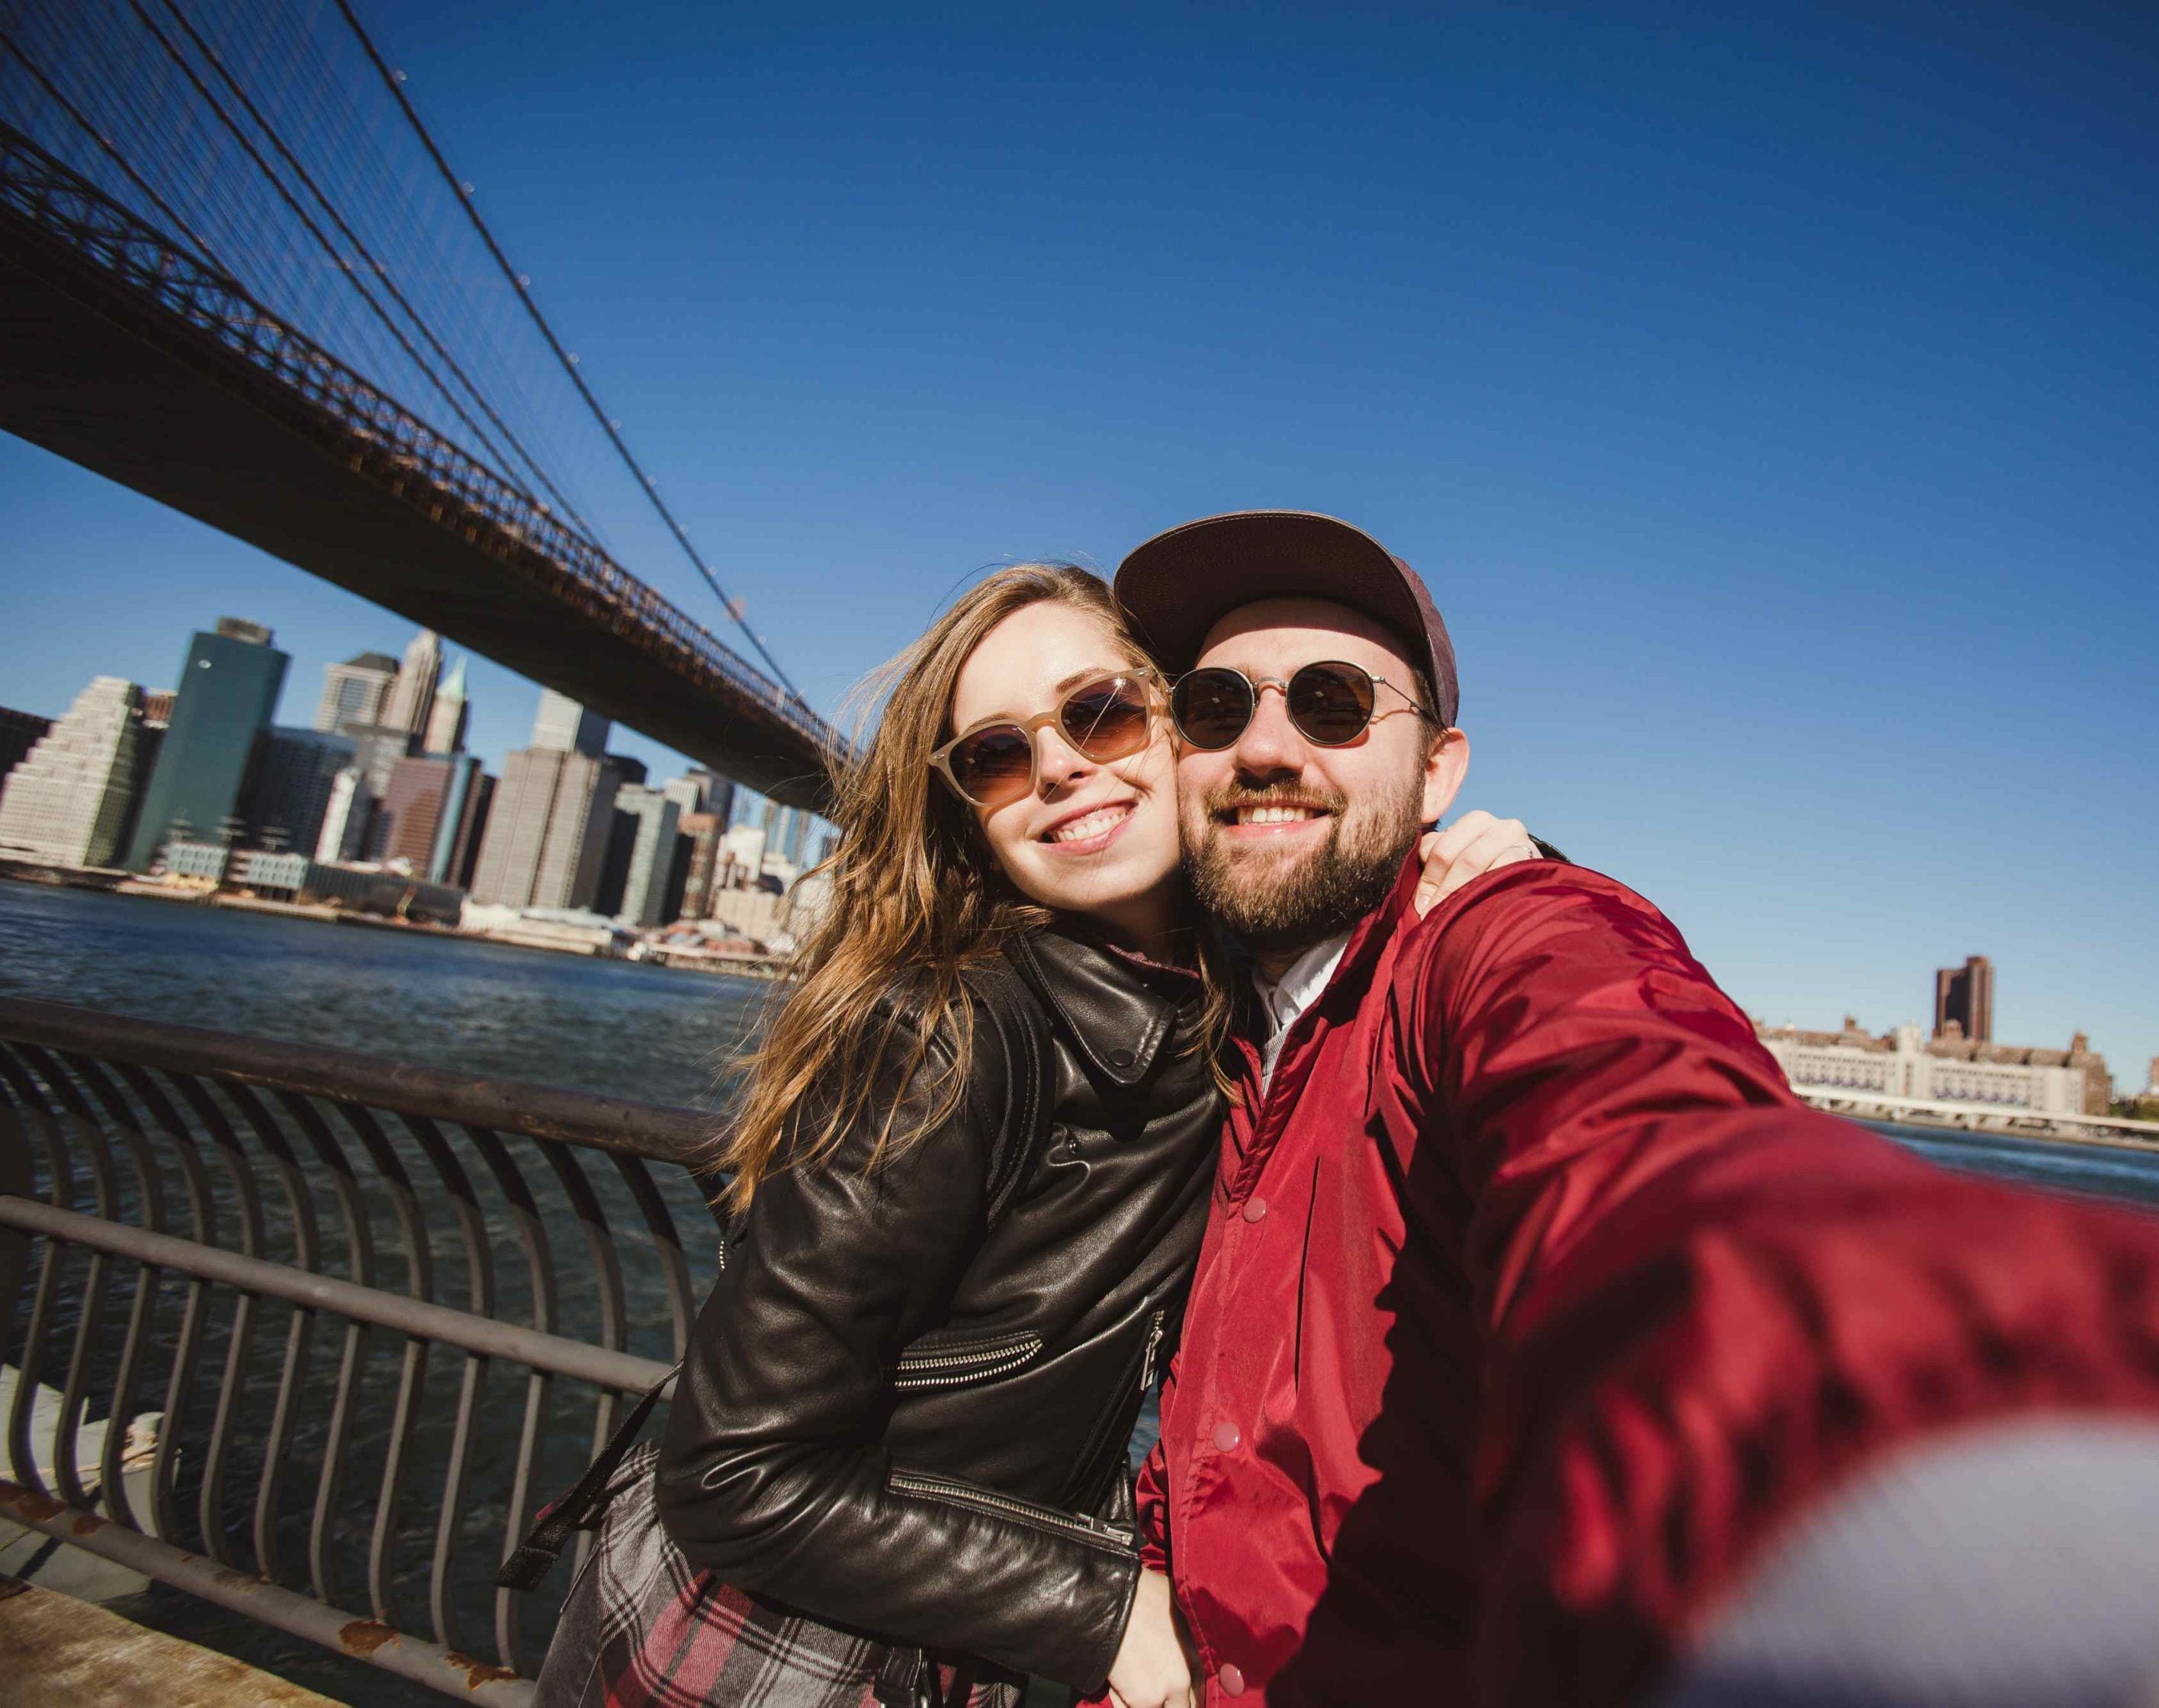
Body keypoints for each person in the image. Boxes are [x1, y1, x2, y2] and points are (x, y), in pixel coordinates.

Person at [1111, 512, 2159, 1707]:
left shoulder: (1504, 940)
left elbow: (1646, 1138)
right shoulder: (1228, 1026)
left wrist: (1968, 1473)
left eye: (1336, 703)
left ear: (1440, 770)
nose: (1268, 746)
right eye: (1219, 706)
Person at [644, 562, 1538, 1708]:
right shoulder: (947, 1034)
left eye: (1102, 713)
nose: (1061, 764)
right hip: (794, 1658)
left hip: (967, 1632)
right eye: (998, 755)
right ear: (974, 812)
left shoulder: (1219, 997)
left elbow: (1334, 852)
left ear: (1189, 730)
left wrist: (1482, 877)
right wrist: (1107, 1610)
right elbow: (732, 1471)